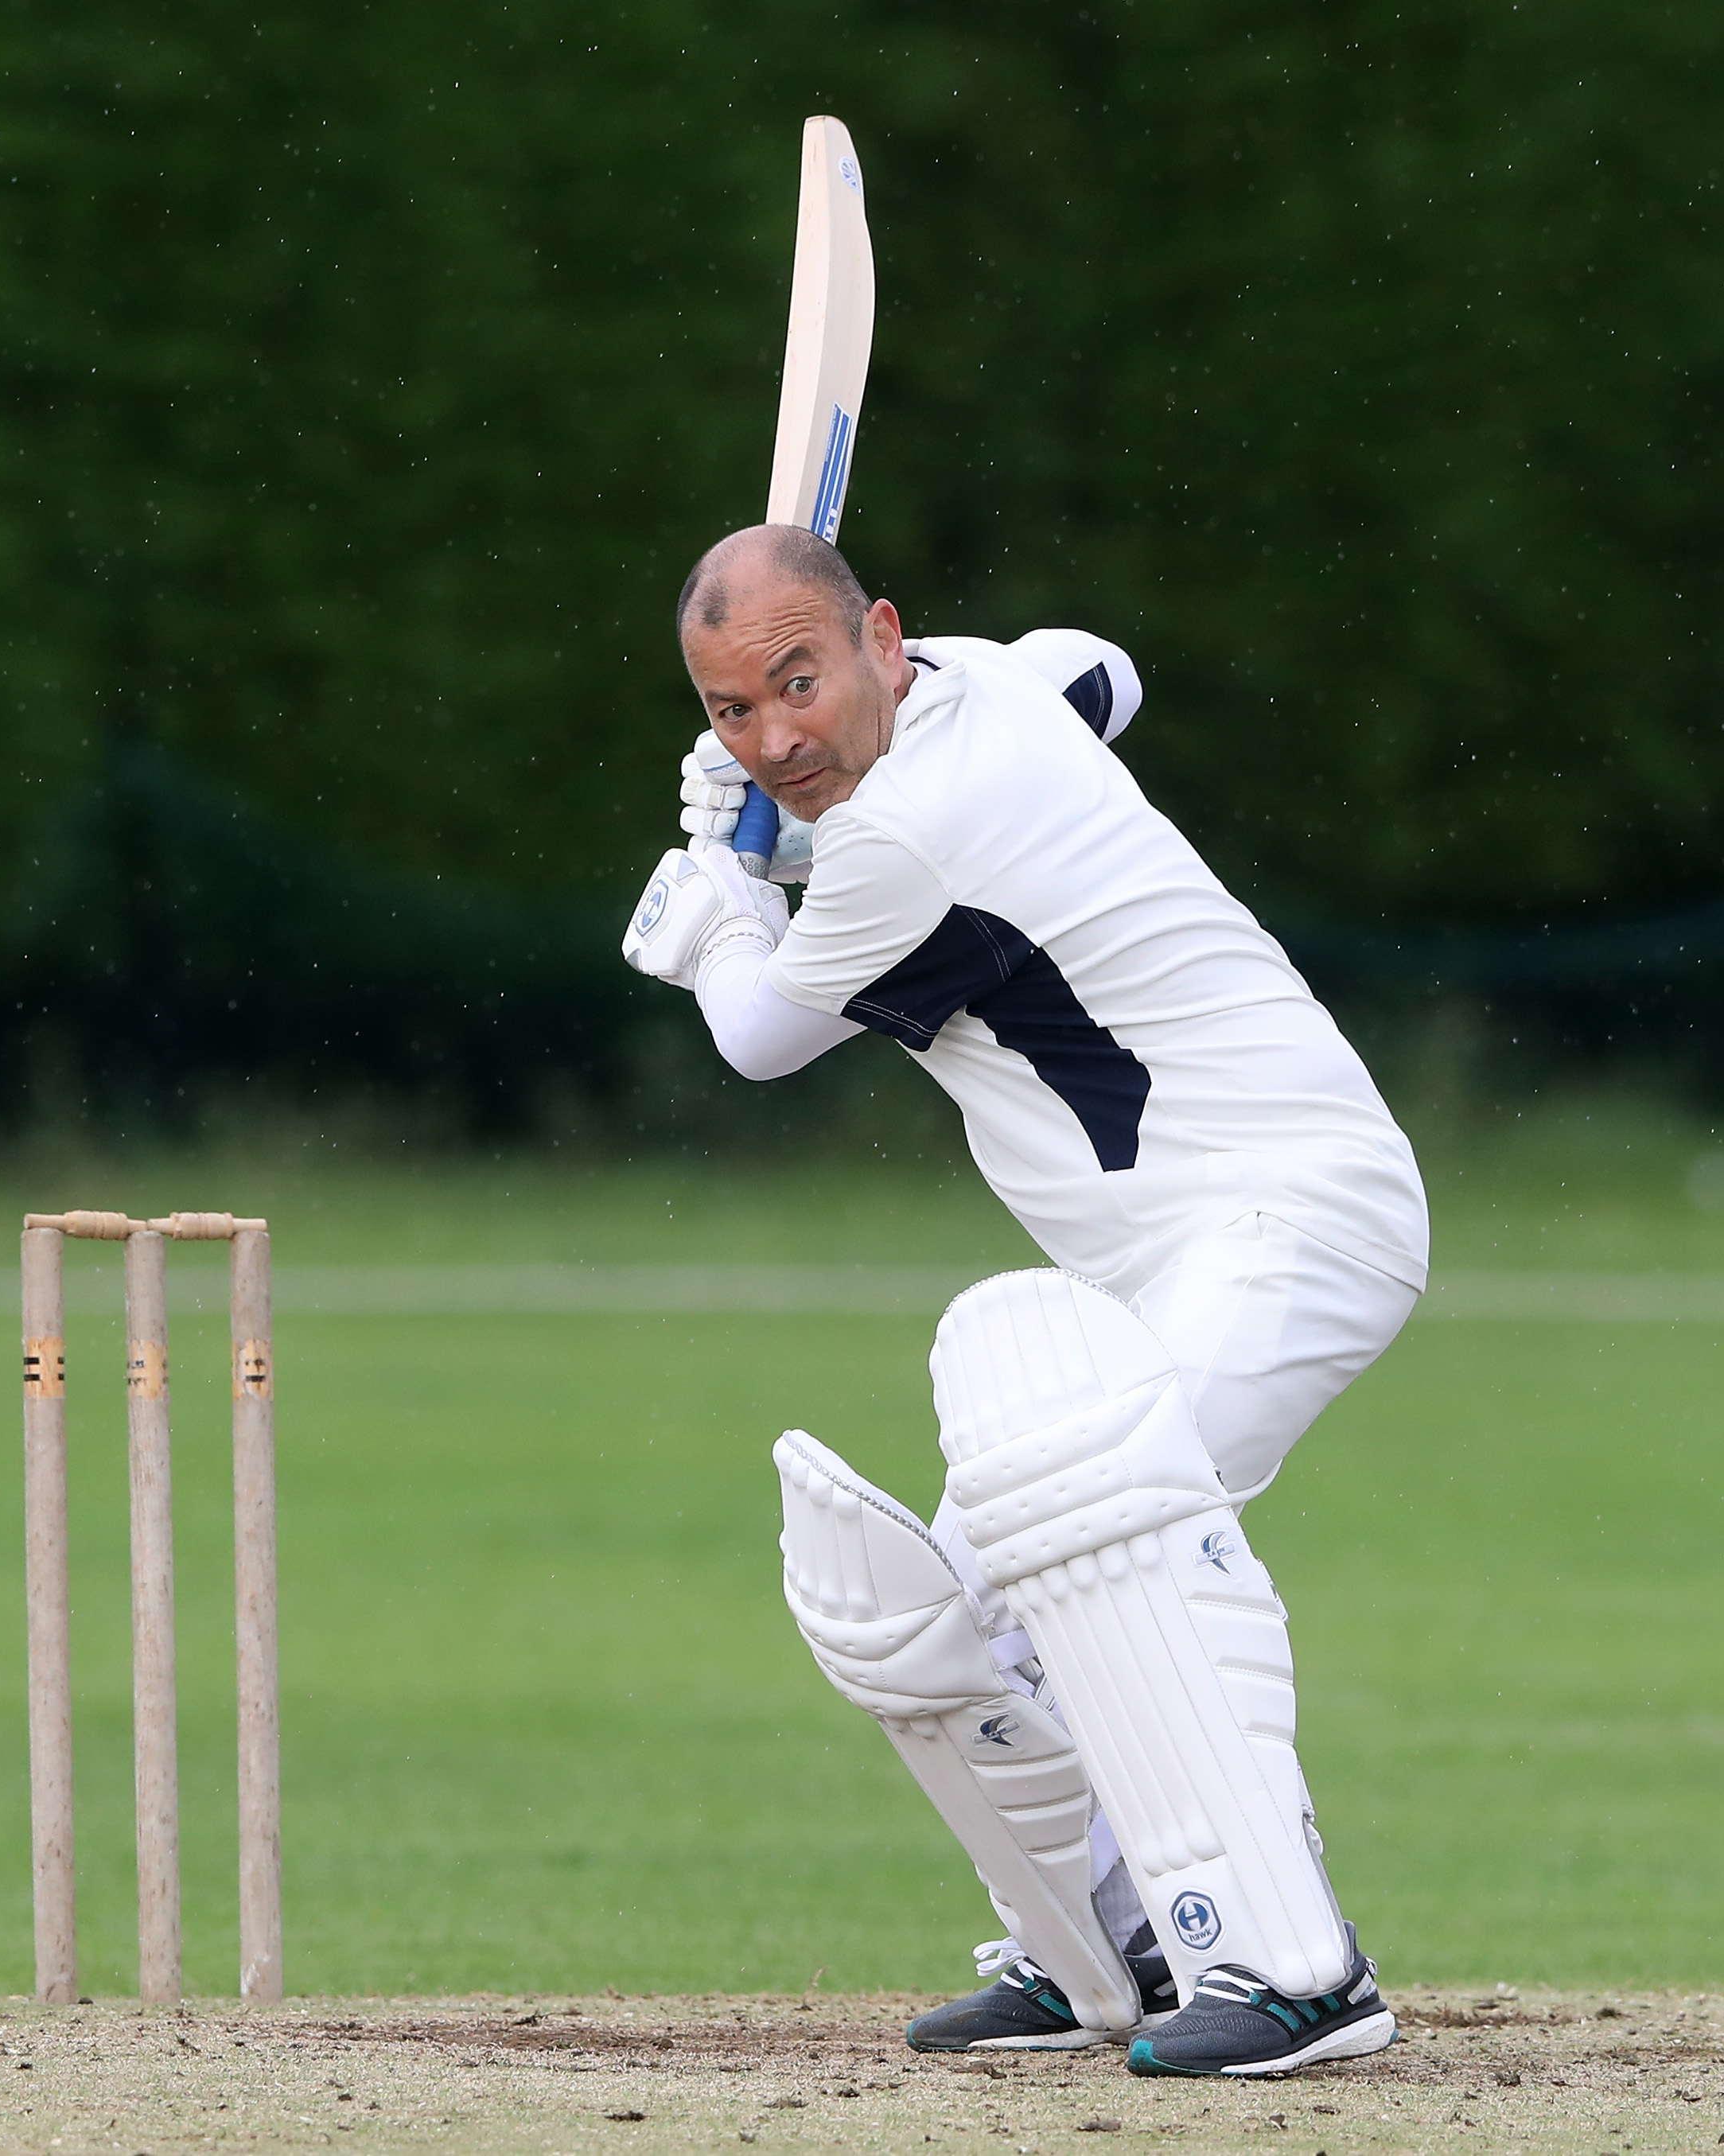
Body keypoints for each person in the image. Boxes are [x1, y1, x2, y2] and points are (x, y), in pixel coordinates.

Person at [622, 525, 1428, 2078]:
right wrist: (781, 829)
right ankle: (1103, 1947)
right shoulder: (992, 685)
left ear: (881, 637)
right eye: (732, 708)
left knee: (1103, 1524)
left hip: (1290, 1206)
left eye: (801, 680)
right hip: (1155, 1259)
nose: (776, 733)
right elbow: (1092, 669)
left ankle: (1293, 1965)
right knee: (952, 1605)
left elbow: (757, 1039)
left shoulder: (904, 833)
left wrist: (727, 900)